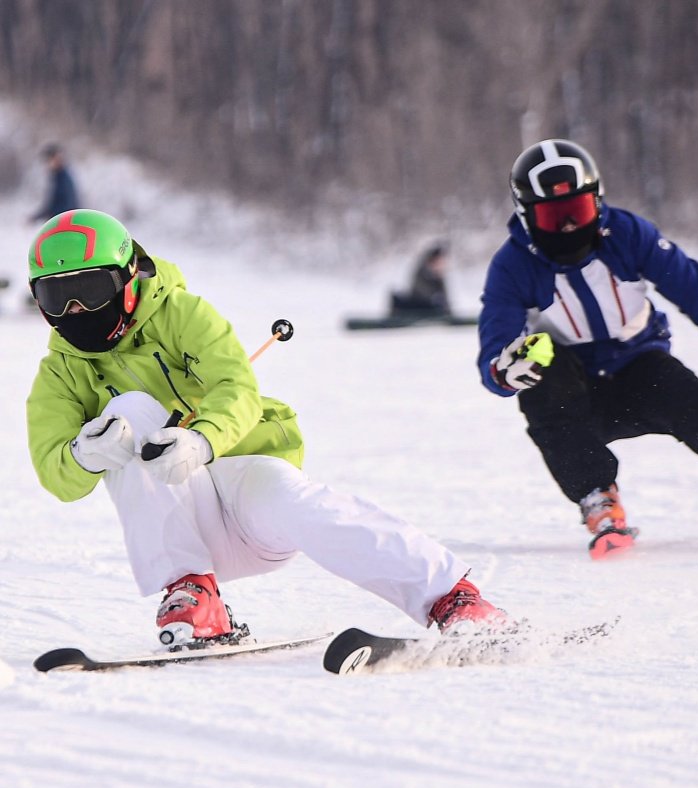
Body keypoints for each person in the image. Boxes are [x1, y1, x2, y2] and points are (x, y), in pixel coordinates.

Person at [26, 209, 504, 646]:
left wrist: (202, 439)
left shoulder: (182, 315)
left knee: (300, 505)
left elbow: (236, 386)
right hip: (185, 527)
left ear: (128, 278)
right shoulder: (60, 372)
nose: (75, 310)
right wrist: (83, 455)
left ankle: (450, 596)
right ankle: (193, 593)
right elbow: (53, 469)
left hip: (246, 488)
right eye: (54, 295)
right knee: (127, 413)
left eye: (89, 290)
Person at [477, 138, 698, 559]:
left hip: (639, 369)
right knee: (545, 378)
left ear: (598, 200)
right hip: (573, 393)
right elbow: (494, 350)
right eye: (555, 217)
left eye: (578, 211)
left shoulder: (628, 235)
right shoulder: (512, 265)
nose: (571, 227)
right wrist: (506, 370)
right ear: (526, 215)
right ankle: (598, 498)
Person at [390, 242, 452, 316]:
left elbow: (445, 301)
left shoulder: (439, 277)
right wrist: (436, 300)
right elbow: (423, 294)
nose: (441, 265)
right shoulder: (422, 272)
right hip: (417, 307)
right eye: (438, 262)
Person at [28, 143, 80, 224]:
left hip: (65, 224)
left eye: (48, 160)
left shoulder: (63, 178)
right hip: (61, 222)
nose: (47, 164)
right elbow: (51, 204)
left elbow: (67, 205)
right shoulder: (57, 177)